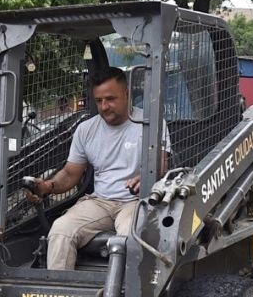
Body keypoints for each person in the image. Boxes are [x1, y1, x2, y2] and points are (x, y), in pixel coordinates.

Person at [28, 67, 169, 270]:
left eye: (110, 99)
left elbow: (161, 165)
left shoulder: (150, 124)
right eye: (99, 100)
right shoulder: (86, 130)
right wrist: (47, 186)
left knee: (130, 236)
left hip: (136, 202)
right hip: (100, 202)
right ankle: (62, 289)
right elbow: (70, 174)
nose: (104, 106)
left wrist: (146, 176)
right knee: (60, 230)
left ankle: (127, 290)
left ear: (127, 94)